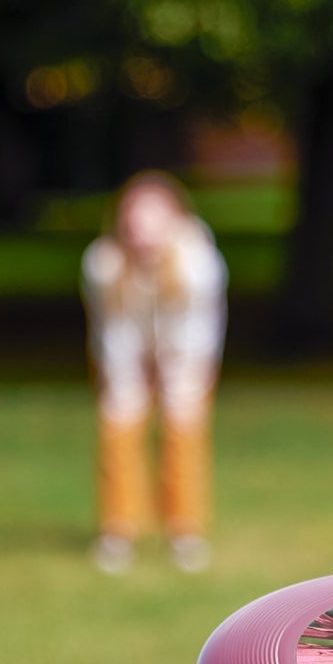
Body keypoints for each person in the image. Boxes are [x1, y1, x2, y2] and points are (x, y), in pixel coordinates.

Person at [81, 171, 228, 573]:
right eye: (134, 220)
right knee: (118, 426)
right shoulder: (103, 263)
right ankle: (118, 530)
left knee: (183, 431)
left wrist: (174, 373)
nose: (142, 231)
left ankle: (185, 531)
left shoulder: (199, 262)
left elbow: (199, 330)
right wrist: (128, 378)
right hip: (125, 354)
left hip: (186, 355)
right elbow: (112, 329)